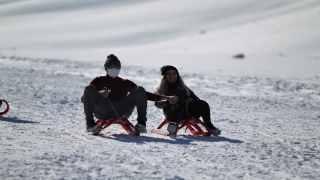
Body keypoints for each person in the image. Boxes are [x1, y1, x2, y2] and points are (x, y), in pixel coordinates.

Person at [81, 54, 177, 134]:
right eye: (111, 67)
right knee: (89, 88)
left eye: (117, 67)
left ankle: (141, 123)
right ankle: (90, 124)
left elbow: (144, 94)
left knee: (139, 89)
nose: (114, 69)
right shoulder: (98, 80)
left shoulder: (125, 82)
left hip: (123, 110)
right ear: (106, 68)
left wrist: (167, 98)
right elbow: (83, 99)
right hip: (103, 110)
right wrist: (100, 93)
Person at [154, 65, 221, 138]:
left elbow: (196, 98)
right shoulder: (160, 89)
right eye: (169, 74)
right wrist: (168, 102)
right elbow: (157, 104)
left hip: (188, 113)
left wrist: (192, 100)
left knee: (202, 103)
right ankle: (174, 126)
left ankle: (208, 123)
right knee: (179, 102)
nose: (172, 76)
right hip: (172, 113)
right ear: (164, 76)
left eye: (174, 73)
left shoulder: (182, 87)